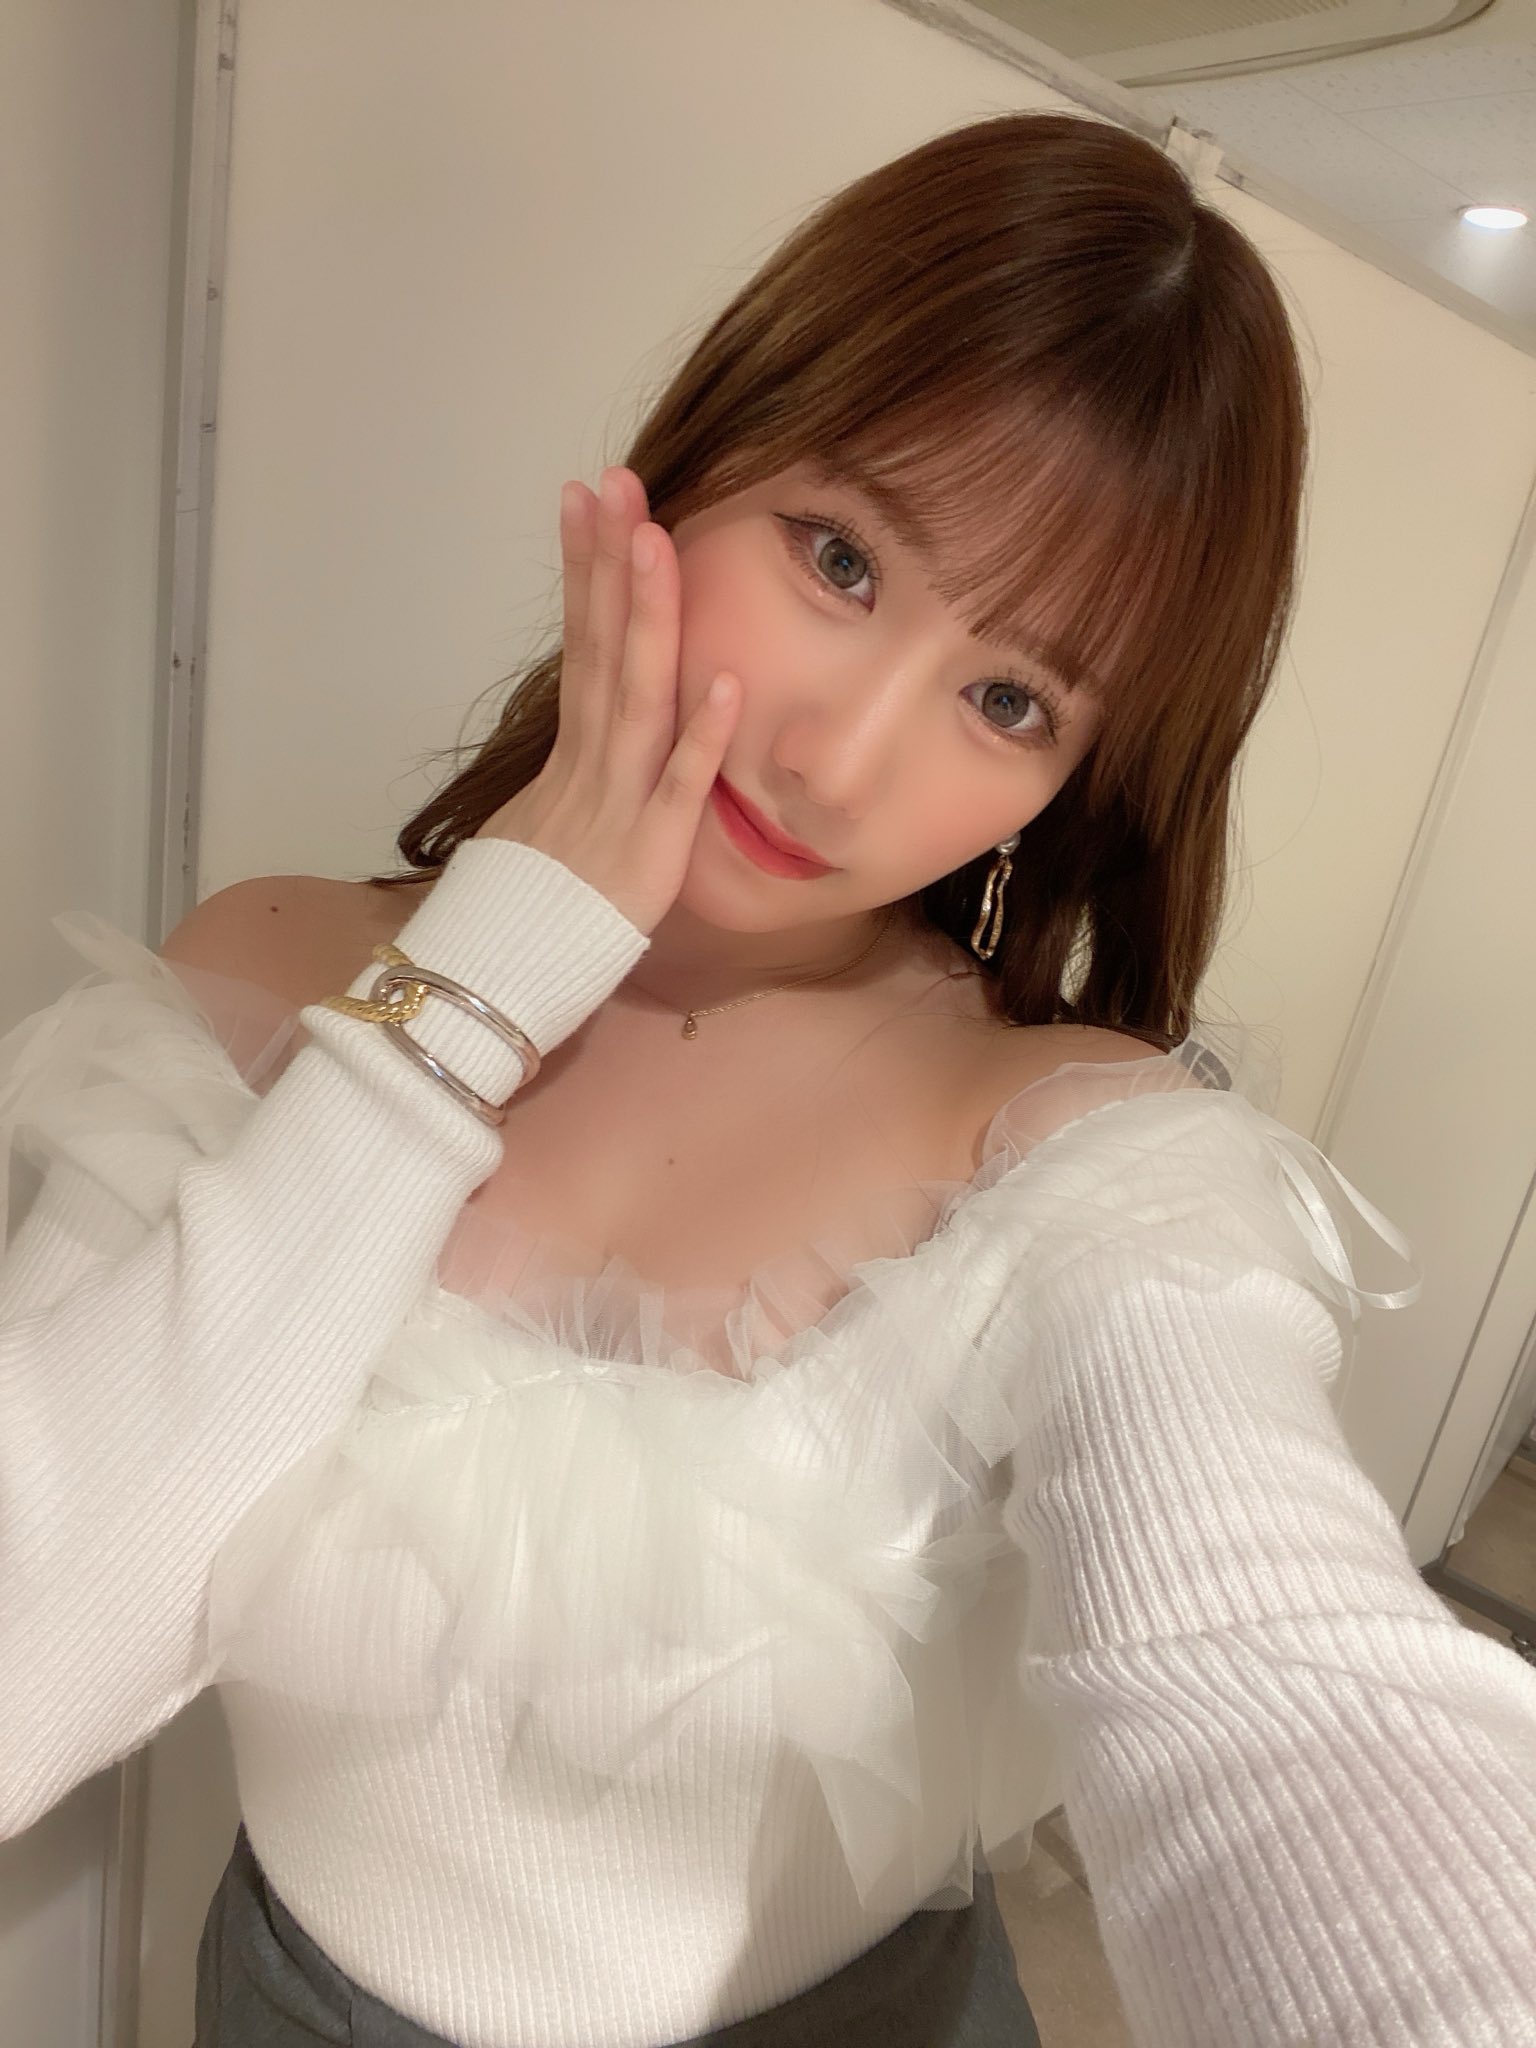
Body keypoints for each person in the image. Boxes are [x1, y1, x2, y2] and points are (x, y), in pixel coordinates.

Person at [1, 105, 1533, 2048]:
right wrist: (470, 990)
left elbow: (1280, 1676)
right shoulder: (267, 980)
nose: (837, 757)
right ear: (700, 457)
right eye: (840, 557)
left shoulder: (1063, 1147)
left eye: (1010, 698)